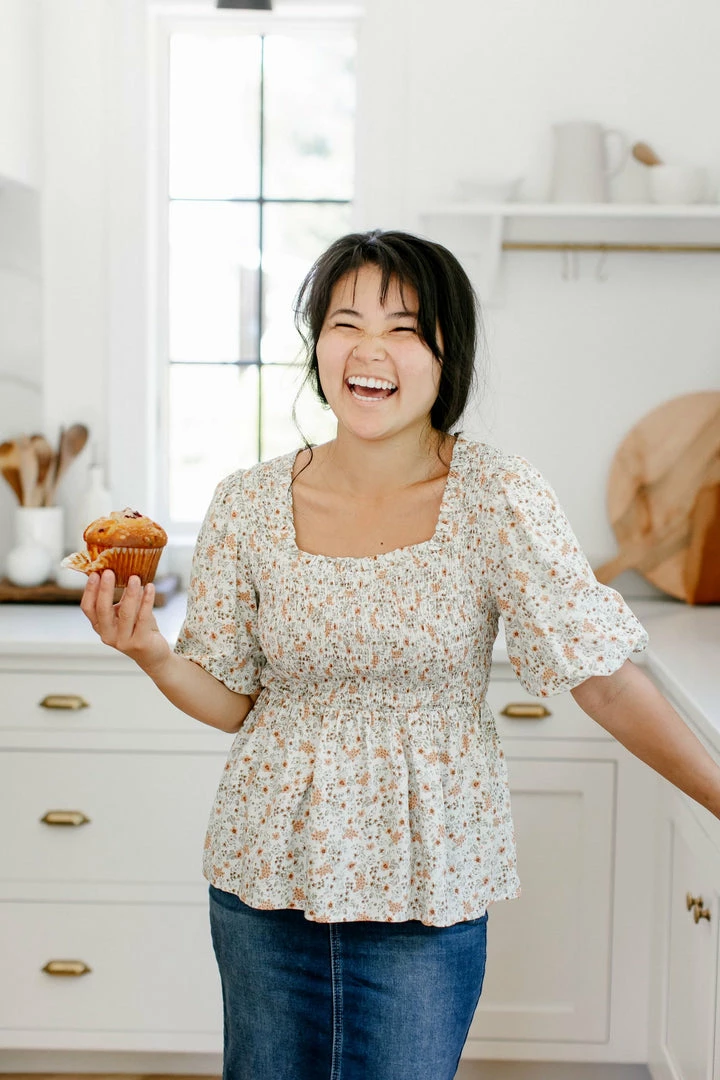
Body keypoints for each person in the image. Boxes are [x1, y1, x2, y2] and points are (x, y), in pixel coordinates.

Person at [81, 229, 720, 1080]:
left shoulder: (497, 494)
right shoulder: (247, 503)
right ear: (318, 346)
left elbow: (601, 678)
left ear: (448, 355)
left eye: (405, 329)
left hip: (427, 890)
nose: (369, 350)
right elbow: (234, 701)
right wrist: (153, 654)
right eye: (344, 324)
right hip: (264, 879)